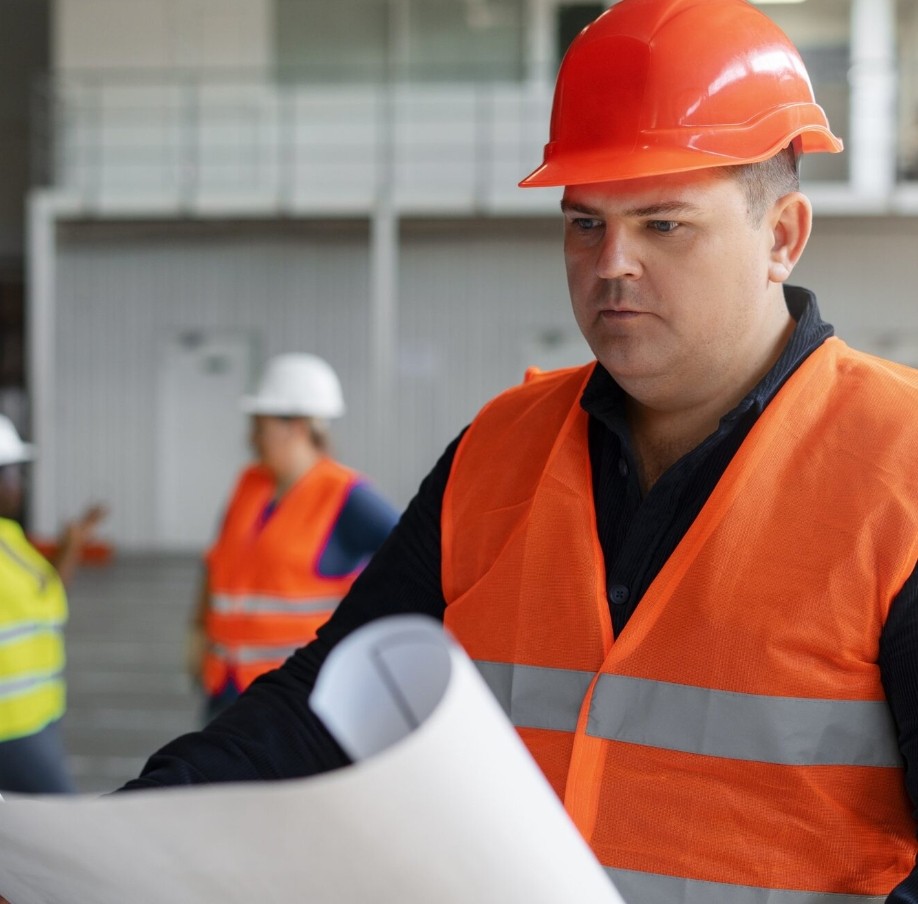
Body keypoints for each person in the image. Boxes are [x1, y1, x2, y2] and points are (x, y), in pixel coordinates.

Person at [120, 0, 918, 899]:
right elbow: (326, 706)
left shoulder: (901, 469)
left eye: (663, 224)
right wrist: (113, 838)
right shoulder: (498, 452)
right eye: (585, 223)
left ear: (781, 237)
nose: (611, 262)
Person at [188, 352, 399, 722]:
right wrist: (195, 631)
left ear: (297, 426)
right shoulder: (248, 484)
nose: (251, 436)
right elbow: (217, 562)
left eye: (260, 423)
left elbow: (415, 562)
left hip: (294, 699)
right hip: (225, 686)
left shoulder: (347, 496)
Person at [0, 414, 107, 794]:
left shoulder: (8, 536)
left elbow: (47, 595)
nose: (19, 484)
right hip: (12, 728)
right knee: (63, 829)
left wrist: (72, 543)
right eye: (11, 472)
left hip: (35, 719)